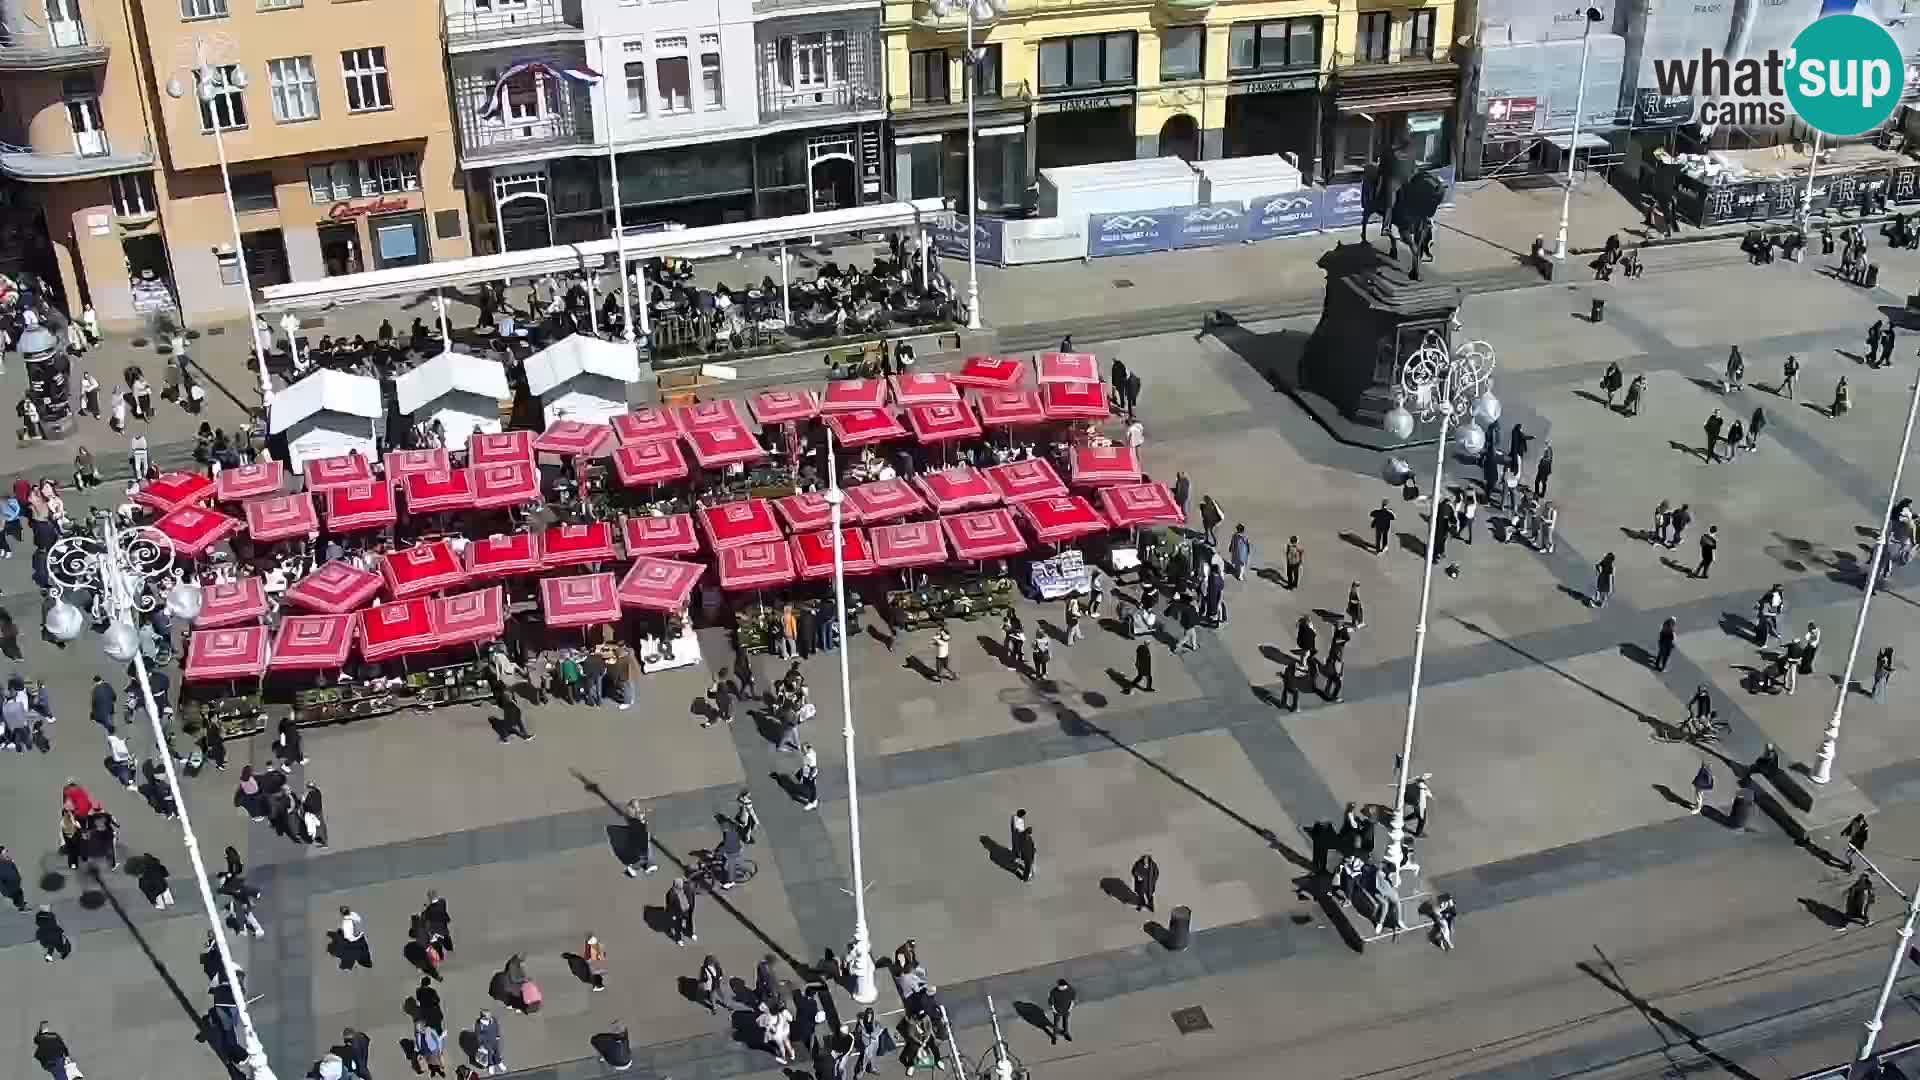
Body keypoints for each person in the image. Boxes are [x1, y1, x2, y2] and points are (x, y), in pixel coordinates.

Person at [666, 876, 696, 945]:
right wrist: (672, 915)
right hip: (678, 912)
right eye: (679, 885)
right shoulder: (671, 894)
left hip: (688, 910)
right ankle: (678, 939)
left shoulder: (687, 888)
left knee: (690, 921)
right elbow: (670, 905)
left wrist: (692, 907)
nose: (681, 886)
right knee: (677, 926)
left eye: (681, 884)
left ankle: (691, 933)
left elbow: (692, 897)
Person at [474, 1011, 505, 1075]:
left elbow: (497, 1027)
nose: (490, 1017)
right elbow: (478, 1034)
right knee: (490, 1052)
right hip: (486, 1041)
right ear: (483, 1017)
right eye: (488, 1016)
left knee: (497, 1051)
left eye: (490, 1015)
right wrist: (481, 1044)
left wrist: (498, 1035)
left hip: (494, 1039)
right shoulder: (479, 1023)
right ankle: (491, 1065)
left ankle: (498, 1062)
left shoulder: (493, 1019)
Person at [1047, 978, 1077, 1044]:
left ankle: (1066, 1033)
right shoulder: (1054, 991)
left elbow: (1072, 1000)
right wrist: (1054, 1010)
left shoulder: (1071, 990)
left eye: (1059, 986)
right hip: (1057, 1011)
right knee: (1056, 1024)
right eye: (1058, 985)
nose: (1058, 987)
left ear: (1064, 986)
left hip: (1066, 1010)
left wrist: (1070, 1009)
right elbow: (1050, 1002)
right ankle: (1054, 1037)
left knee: (1065, 1022)